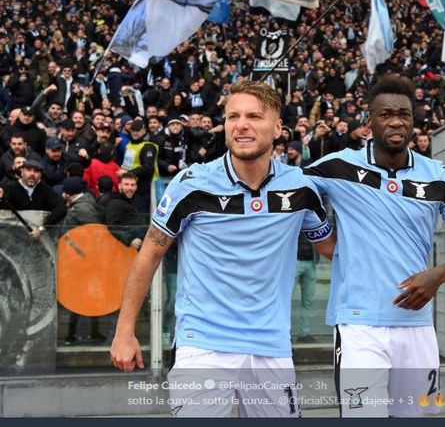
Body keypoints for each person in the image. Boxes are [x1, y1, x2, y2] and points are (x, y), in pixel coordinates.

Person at [110, 80, 335, 417]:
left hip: (270, 346)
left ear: (278, 129)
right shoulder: (191, 184)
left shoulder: (301, 188)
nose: (241, 125)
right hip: (202, 346)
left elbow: (333, 249)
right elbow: (150, 254)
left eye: (254, 116)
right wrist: (124, 332)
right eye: (233, 117)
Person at [304, 76, 445, 417]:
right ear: (369, 120)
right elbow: (289, 194)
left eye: (404, 114)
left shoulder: (438, 178)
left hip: (417, 327)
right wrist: (322, 237)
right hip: (359, 326)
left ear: (413, 120)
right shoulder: (337, 167)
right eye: (386, 113)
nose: (395, 121)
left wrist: (440, 274)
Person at [60, 176, 106, 345]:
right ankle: (92, 332)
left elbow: (94, 233)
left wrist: (81, 252)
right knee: (88, 297)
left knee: (79, 298)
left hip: (84, 262)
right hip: (85, 260)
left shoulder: (81, 209)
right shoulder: (80, 205)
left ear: (70, 193)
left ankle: (72, 335)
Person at [0, 159, 67, 239]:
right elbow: (4, 206)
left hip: (40, 240)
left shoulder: (46, 190)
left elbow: (61, 208)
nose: (32, 174)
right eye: (28, 170)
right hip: (15, 238)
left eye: (36, 171)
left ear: (40, 175)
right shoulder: (10, 189)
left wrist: (42, 228)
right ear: (22, 172)